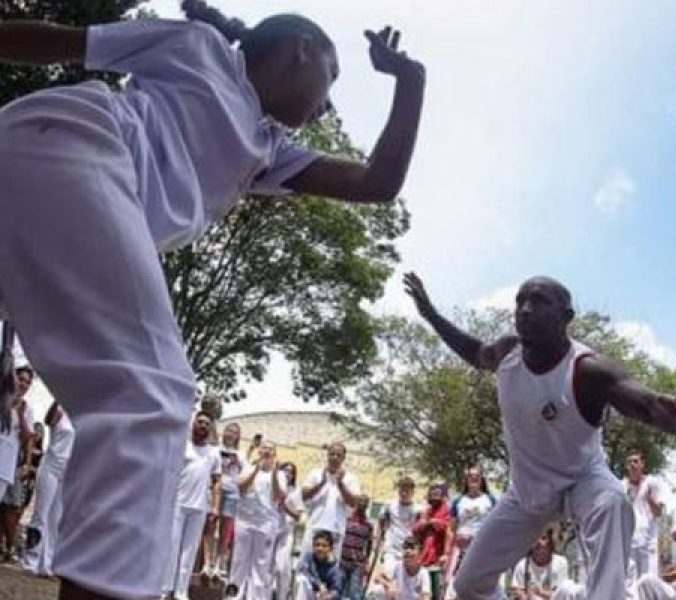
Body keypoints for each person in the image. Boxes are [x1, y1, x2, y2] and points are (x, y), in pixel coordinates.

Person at [0, 0, 424, 595]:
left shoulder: (267, 152)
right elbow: (61, 41)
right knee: (152, 392)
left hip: (44, 182)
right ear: (301, 49)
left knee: (144, 390)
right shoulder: (195, 46)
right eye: (331, 78)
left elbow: (378, 182)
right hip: (74, 143)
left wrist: (411, 83)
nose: (328, 102)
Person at [403, 272, 676, 600]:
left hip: (582, 481)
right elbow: (473, 351)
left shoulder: (588, 371)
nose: (525, 308)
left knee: (613, 502)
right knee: (468, 585)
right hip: (527, 492)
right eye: (520, 300)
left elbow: (655, 408)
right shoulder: (507, 354)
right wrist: (431, 314)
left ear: (566, 317)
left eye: (538, 301)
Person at [163, 411, 223, 600]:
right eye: (200, 422)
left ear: (210, 429)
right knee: (172, 547)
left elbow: (217, 482)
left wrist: (215, 507)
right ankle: (166, 589)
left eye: (207, 424)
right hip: (178, 503)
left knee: (189, 551)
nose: (203, 426)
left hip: (199, 507)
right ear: (194, 424)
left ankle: (181, 591)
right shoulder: (183, 446)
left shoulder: (214, 454)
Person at [228, 439, 288, 600]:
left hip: (266, 523)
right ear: (259, 451)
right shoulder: (249, 468)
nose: (267, 451)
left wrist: (274, 473)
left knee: (261, 564)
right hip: (245, 521)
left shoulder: (281, 475)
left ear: (274, 454)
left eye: (270, 449)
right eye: (264, 448)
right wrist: (255, 470)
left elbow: (279, 496)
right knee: (239, 561)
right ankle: (233, 596)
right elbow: (241, 486)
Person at [22, 402, 74, 577]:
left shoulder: (83, 415)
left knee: (55, 520)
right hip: (50, 466)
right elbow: (47, 419)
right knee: (40, 516)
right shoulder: (60, 410)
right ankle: (31, 560)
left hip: (67, 471)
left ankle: (47, 564)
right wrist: (59, 399)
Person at [443, 466, 497, 599]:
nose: (473, 478)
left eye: (477, 476)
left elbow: (497, 527)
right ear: (466, 480)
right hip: (461, 550)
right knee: (453, 584)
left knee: (484, 585)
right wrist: (446, 553)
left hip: (483, 550)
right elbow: (451, 529)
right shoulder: (458, 502)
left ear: (482, 479)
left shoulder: (490, 500)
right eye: (470, 476)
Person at [301, 442, 360, 560]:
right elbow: (304, 495)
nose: (335, 458)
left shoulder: (350, 478)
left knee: (330, 569)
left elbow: (354, 502)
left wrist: (341, 484)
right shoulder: (315, 474)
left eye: (338, 455)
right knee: (307, 565)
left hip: (335, 530)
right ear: (327, 455)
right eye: (332, 454)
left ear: (343, 458)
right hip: (315, 526)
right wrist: (321, 483)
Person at [203, 421, 245, 582]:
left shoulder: (241, 455)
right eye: (228, 430)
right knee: (210, 526)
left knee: (225, 530)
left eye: (234, 432)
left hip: (232, 492)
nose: (231, 434)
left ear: (238, 436)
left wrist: (236, 462)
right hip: (215, 489)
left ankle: (220, 563)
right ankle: (207, 563)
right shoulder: (215, 450)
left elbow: (244, 475)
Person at [0, 365, 34, 563]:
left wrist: (20, 413)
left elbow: (27, 437)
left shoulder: (27, 409)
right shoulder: (2, 398)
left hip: (7, 463)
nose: (24, 384)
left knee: (8, 507)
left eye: (28, 382)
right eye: (21, 379)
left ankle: (8, 547)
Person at [623, 449, 665, 580]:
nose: (632, 465)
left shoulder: (652, 483)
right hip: (628, 541)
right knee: (630, 580)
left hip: (648, 540)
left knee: (648, 579)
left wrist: (649, 498)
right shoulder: (621, 485)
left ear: (642, 464)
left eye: (635, 461)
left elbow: (658, 512)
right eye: (629, 462)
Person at [509, 530, 585, 600]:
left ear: (550, 544)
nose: (539, 542)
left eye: (543, 538)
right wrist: (526, 596)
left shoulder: (561, 562)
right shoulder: (522, 565)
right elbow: (517, 591)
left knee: (567, 586)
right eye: (537, 547)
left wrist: (539, 591)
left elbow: (559, 592)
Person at [377, 475, 423, 578]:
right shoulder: (389, 505)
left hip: (408, 549)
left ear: (412, 492)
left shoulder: (418, 509)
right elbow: (381, 523)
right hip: (391, 547)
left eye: (407, 491)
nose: (404, 493)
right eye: (402, 490)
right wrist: (378, 542)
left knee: (404, 579)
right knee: (388, 574)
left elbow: (420, 531)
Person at [413, 484, 451, 599]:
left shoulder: (447, 511)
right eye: (432, 495)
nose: (434, 498)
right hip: (424, 559)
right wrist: (426, 524)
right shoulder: (426, 512)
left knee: (437, 593)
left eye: (437, 495)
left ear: (443, 496)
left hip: (439, 561)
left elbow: (448, 530)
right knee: (424, 593)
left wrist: (446, 554)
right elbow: (416, 529)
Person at [275, 462, 306, 600]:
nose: (288, 474)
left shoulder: (295, 492)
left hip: (286, 532)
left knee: (282, 568)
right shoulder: (274, 486)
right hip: (270, 530)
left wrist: (286, 507)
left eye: (291, 472)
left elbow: (299, 516)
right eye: (285, 470)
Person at [340, 494, 374, 600]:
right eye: (360, 501)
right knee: (338, 590)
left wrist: (366, 561)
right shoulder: (346, 520)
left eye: (364, 503)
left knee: (355, 593)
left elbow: (369, 544)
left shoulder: (368, 525)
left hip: (357, 563)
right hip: (342, 560)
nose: (362, 504)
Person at [296, 530, 345, 600]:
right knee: (301, 579)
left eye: (324, 546)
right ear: (313, 546)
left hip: (325, 596)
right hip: (311, 593)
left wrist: (327, 596)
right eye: (317, 545)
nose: (320, 548)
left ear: (330, 549)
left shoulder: (334, 568)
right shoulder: (309, 558)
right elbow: (303, 571)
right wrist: (318, 584)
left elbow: (337, 590)